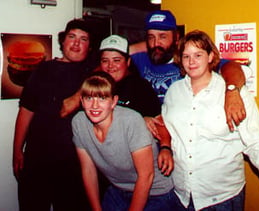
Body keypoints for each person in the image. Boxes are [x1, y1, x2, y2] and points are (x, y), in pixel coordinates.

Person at [161, 30, 259, 211]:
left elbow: (256, 139)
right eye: (186, 56)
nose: (191, 61)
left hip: (222, 199)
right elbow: (166, 125)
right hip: (182, 196)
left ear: (211, 56)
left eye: (198, 55)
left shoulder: (233, 93)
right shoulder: (173, 92)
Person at [12, 19, 98, 211]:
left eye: (83, 39)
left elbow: (122, 55)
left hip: (74, 165)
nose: (76, 43)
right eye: (72, 37)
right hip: (37, 160)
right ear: (63, 41)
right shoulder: (43, 69)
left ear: (89, 47)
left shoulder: (91, 71)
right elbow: (26, 110)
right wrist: (17, 150)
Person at [60, 34, 174, 175]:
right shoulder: (94, 84)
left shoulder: (140, 87)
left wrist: (165, 148)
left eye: (116, 60)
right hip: (101, 166)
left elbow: (159, 122)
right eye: (105, 61)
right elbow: (66, 110)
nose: (110, 66)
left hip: (134, 168)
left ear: (127, 62)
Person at [72, 71, 174, 211]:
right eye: (89, 98)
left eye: (102, 98)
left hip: (155, 192)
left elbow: (146, 176)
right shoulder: (79, 122)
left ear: (113, 101)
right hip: (119, 190)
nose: (95, 105)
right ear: (82, 101)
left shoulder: (131, 121)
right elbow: (88, 170)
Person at [130, 10, 246, 132]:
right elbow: (115, 52)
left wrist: (232, 92)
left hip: (184, 138)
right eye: (151, 37)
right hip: (152, 140)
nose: (155, 43)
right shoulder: (141, 59)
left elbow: (233, 67)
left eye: (162, 37)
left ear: (176, 37)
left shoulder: (188, 62)